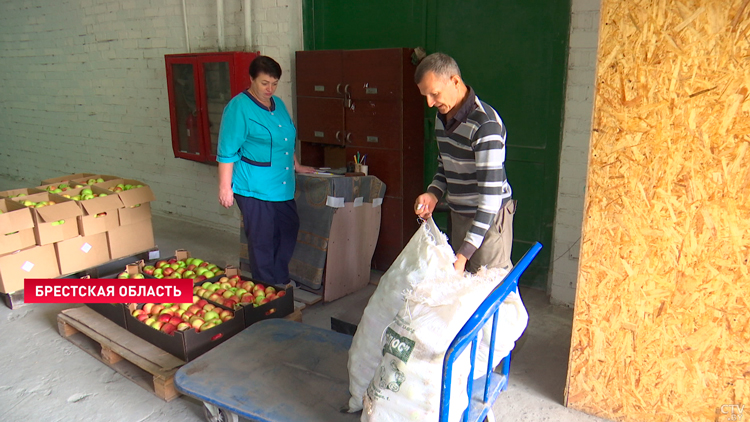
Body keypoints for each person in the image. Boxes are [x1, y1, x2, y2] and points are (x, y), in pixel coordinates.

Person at [216, 55, 314, 287]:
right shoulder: (239, 107)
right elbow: (227, 150)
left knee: (288, 230)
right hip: (253, 186)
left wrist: (298, 166)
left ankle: (279, 277)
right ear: (251, 79)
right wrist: (224, 188)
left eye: (274, 83)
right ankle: (266, 287)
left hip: (281, 184)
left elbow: (285, 139)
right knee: (262, 239)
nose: (270, 88)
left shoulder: (278, 105)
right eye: (264, 83)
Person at [413, 53, 516, 274]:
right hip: (460, 215)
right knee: (461, 288)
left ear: (455, 81)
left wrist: (464, 253)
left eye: (435, 94)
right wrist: (433, 194)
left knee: (488, 285)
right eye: (426, 96)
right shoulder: (443, 119)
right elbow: (445, 167)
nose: (430, 103)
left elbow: (490, 198)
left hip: (489, 220)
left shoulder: (485, 125)